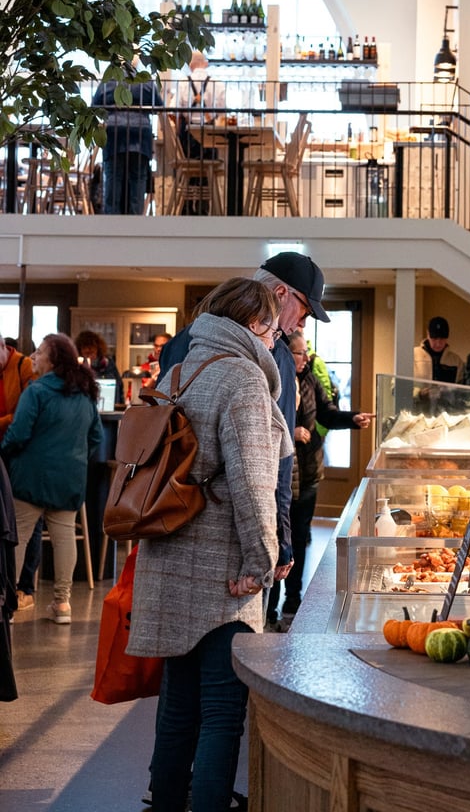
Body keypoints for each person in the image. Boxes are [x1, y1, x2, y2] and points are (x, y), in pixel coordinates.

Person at [128, 277, 293, 812]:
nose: (276, 341)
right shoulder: (243, 379)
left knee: (179, 702)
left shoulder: (181, 369)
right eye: (272, 329)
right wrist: (263, 562)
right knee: (224, 708)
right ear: (253, 325)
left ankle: (167, 798)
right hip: (222, 568)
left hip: (167, 552)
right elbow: (252, 485)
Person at [158, 251, 330, 617]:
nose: (300, 324)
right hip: (229, 537)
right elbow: (271, 463)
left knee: (177, 660)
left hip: (165, 519)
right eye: (304, 310)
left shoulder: (186, 338)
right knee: (231, 658)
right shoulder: (270, 358)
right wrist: (279, 543)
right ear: (281, 293)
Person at [267, 331, 371, 630]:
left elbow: (326, 414)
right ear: (288, 355)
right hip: (281, 476)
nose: (306, 358)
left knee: (300, 541)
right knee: (277, 542)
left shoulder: (310, 379)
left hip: (309, 473)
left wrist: (352, 419)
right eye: (300, 353)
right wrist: (293, 430)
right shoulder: (276, 380)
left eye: (306, 353)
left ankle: (293, 603)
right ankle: (270, 608)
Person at [1, 333, 102, 625]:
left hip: (31, 478)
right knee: (65, 538)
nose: (33, 356)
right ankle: (63, 604)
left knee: (16, 538)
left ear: (53, 359)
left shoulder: (37, 391)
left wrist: (5, 455)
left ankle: (7, 604)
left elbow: (17, 435)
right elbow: (95, 436)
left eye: (40, 352)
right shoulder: (85, 393)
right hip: (70, 479)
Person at [92, 63, 163, 214]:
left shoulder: (108, 82)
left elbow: (95, 105)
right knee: (138, 179)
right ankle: (136, 221)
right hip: (140, 134)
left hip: (114, 134)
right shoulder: (145, 81)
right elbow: (159, 105)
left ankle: (112, 221)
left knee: (113, 178)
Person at [0, 335, 36, 614]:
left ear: (4, 348)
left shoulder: (23, 365)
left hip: (17, 449)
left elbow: (23, 414)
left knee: (22, 519)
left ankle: (24, 587)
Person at [168, 50, 226, 158]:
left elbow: (172, 110)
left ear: (190, 65)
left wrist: (179, 124)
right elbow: (223, 112)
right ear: (205, 63)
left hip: (188, 135)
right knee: (210, 166)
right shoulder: (217, 84)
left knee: (189, 165)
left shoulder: (183, 83)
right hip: (210, 135)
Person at [74, 329, 124, 405]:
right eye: (85, 349)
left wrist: (120, 405)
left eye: (92, 348)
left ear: (97, 348)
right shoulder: (78, 366)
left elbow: (119, 385)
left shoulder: (108, 363)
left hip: (110, 403)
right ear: (80, 350)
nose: (89, 350)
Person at [413, 316, 464, 384]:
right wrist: (419, 392)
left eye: (442, 339)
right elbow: (401, 383)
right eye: (434, 339)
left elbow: (460, 390)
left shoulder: (456, 361)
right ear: (428, 334)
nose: (438, 344)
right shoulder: (413, 355)